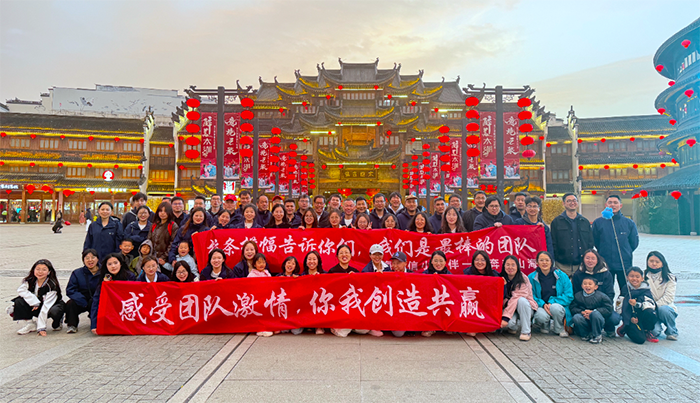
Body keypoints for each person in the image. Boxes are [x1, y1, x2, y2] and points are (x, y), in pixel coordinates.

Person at [592, 195, 639, 290]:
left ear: (620, 205)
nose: (612, 205)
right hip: (605, 262)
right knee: (606, 289)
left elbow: (634, 242)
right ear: (606, 205)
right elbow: (595, 241)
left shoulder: (628, 223)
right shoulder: (598, 222)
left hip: (624, 262)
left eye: (615, 203)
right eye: (610, 202)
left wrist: (626, 251)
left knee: (626, 289)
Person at [571, 249, 621, 337]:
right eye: (587, 258)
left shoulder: (606, 274)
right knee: (577, 318)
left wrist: (595, 311)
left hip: (602, 307)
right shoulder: (578, 274)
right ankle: (588, 330)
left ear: (598, 260)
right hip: (584, 308)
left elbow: (610, 294)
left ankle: (608, 328)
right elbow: (576, 294)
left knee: (615, 319)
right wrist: (584, 311)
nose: (590, 261)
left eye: (593, 258)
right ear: (583, 259)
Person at [11, 259, 64, 335]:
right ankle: (30, 324)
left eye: (44, 270)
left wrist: (41, 328)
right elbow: (21, 290)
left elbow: (46, 306)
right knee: (19, 302)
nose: (40, 272)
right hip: (36, 305)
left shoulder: (51, 286)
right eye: (38, 269)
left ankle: (58, 321)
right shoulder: (30, 281)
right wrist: (34, 301)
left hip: (51, 306)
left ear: (49, 272)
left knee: (55, 312)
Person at [528, 251, 573, 338]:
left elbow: (569, 295)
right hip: (541, 306)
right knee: (540, 316)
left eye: (547, 260)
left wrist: (551, 302)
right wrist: (543, 304)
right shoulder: (531, 277)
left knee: (555, 308)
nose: (544, 262)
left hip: (557, 305)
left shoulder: (562, 276)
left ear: (551, 262)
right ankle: (544, 325)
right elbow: (530, 295)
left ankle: (559, 328)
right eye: (541, 260)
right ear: (537, 262)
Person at [550, 193, 594, 277]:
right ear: (563, 203)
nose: (572, 203)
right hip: (562, 265)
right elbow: (553, 242)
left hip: (581, 264)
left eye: (574, 200)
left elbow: (590, 241)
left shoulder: (584, 221)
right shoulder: (557, 222)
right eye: (569, 201)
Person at [90, 254, 136, 334]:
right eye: (110, 264)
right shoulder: (104, 278)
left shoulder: (129, 276)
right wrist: (94, 325)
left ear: (121, 264)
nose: (113, 266)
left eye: (115, 263)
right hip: (111, 309)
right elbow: (96, 301)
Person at [500, 255, 538, 341]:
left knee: (521, 300)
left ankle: (526, 331)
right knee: (510, 323)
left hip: (525, 308)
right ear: (504, 266)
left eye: (513, 265)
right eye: (507, 265)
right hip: (510, 308)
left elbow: (515, 298)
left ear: (517, 266)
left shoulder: (523, 279)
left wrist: (505, 318)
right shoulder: (501, 277)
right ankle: (513, 327)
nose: (510, 267)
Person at [65, 249, 101, 333]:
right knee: (71, 303)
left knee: (95, 302)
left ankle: (96, 323)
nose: (90, 260)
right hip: (82, 299)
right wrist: (81, 300)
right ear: (83, 260)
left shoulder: (104, 272)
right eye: (87, 258)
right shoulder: (77, 273)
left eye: (93, 257)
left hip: (98, 299)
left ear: (98, 259)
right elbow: (70, 289)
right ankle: (72, 325)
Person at [619, 267, 658, 344]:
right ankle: (625, 327)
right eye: (631, 276)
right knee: (640, 340)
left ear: (642, 278)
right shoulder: (625, 289)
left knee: (650, 312)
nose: (634, 279)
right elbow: (619, 306)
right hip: (630, 318)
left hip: (642, 315)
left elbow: (650, 304)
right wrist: (629, 318)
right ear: (627, 277)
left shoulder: (646, 290)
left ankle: (647, 330)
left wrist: (637, 304)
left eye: (637, 277)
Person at [645, 251, 678, 341]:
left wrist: (655, 306)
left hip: (665, 307)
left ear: (662, 263)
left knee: (663, 310)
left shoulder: (670, 278)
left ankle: (672, 331)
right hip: (650, 308)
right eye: (651, 261)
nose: (654, 264)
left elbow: (669, 297)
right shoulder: (643, 276)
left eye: (657, 262)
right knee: (654, 332)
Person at [570, 276, 613, 344]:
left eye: (590, 284)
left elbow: (608, 309)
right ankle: (585, 334)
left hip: (597, 319)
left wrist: (593, 312)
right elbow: (573, 307)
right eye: (585, 284)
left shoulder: (602, 296)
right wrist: (582, 312)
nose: (587, 286)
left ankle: (597, 335)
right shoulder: (577, 296)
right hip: (583, 317)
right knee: (576, 317)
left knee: (595, 314)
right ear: (581, 286)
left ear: (596, 287)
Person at [149, 202, 179, 275]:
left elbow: (173, 243)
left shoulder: (172, 225)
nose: (162, 213)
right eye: (160, 211)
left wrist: (164, 257)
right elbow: (149, 240)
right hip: (152, 258)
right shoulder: (154, 224)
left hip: (165, 260)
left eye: (165, 211)